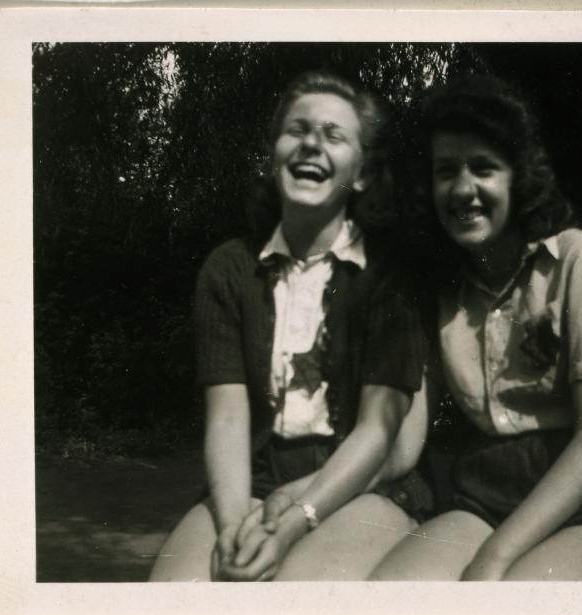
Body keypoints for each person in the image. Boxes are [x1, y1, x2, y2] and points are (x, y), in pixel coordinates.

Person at [369, 74, 582, 582]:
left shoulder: (579, 259)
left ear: (518, 176)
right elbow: (401, 446)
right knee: (393, 597)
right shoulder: (440, 292)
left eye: (483, 168)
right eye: (446, 172)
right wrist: (307, 497)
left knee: (515, 601)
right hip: (485, 496)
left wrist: (496, 556)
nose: (463, 189)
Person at [150, 70, 429, 582]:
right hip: (251, 484)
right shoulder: (229, 269)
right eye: (296, 130)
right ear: (273, 154)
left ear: (362, 172)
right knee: (175, 592)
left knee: (298, 597)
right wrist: (235, 524)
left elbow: (379, 432)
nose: (310, 144)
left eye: (333, 135)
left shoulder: (390, 276)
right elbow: (228, 419)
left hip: (360, 486)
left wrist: (299, 518)